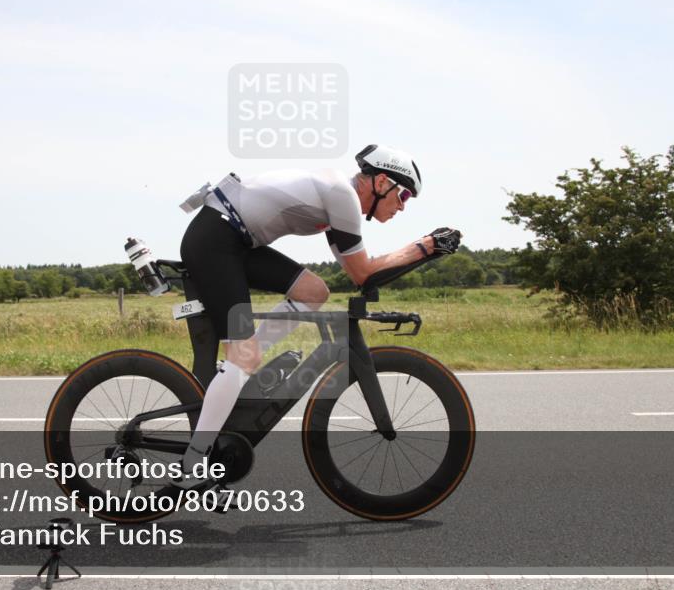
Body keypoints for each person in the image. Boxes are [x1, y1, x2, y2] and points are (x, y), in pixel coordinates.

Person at [175, 144, 462, 500]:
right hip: (216, 239)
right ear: (382, 182)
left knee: (313, 291)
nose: (403, 205)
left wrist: (424, 250)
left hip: (231, 237)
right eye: (403, 195)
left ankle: (244, 370)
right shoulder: (341, 194)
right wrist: (425, 247)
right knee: (242, 355)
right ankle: (192, 466)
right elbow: (364, 272)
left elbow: (361, 276)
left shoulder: (337, 199)